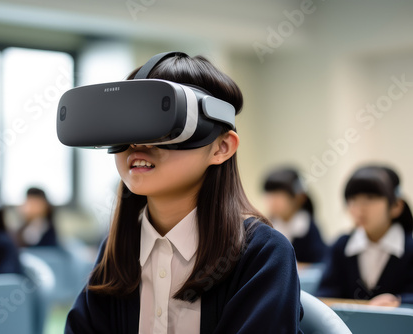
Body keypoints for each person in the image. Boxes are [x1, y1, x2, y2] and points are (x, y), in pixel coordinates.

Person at [65, 52, 303, 333]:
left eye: (160, 123)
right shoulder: (116, 251)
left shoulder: (263, 254)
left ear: (221, 147)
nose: (137, 144)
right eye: (127, 124)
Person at [316, 165, 413, 306]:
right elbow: (324, 294)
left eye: (370, 197)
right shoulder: (341, 246)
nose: (359, 208)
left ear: (396, 206)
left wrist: (399, 302)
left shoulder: (409, 248)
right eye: (353, 199)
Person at [263, 167, 328, 263]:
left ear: (298, 198)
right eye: (270, 196)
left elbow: (321, 261)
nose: (273, 202)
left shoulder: (307, 228)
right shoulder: (267, 228)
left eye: (278, 196)